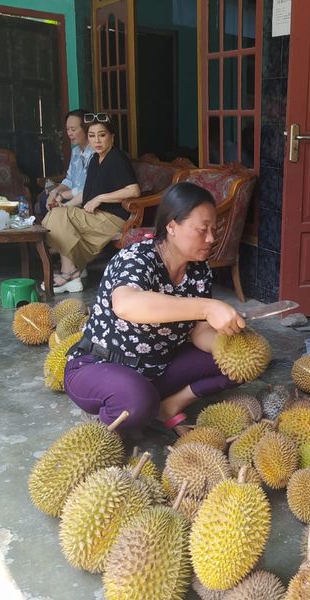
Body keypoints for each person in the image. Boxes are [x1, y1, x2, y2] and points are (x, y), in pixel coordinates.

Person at [63, 182, 245, 434]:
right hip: (99, 365)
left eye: (214, 230)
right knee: (136, 403)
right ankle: (124, 408)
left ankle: (168, 407)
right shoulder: (137, 257)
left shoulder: (198, 269)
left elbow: (199, 332)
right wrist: (207, 307)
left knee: (241, 363)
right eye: (202, 229)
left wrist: (234, 344)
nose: (211, 238)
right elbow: (127, 304)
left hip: (157, 368)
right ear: (171, 226)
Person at [42, 113, 140, 294]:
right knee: (57, 216)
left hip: (113, 218)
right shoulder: (95, 159)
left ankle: (70, 272)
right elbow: (86, 193)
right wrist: (66, 205)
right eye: (92, 136)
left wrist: (100, 198)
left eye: (102, 135)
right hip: (95, 216)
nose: (97, 141)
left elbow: (133, 190)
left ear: (112, 137)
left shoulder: (117, 158)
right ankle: (72, 271)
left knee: (59, 220)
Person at [35, 109, 95, 218]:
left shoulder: (95, 154)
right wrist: (55, 192)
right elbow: (69, 180)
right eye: (67, 129)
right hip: (70, 194)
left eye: (73, 129)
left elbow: (88, 188)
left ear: (86, 130)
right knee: (47, 192)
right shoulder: (76, 151)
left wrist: (62, 195)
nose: (69, 133)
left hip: (83, 199)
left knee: (49, 200)